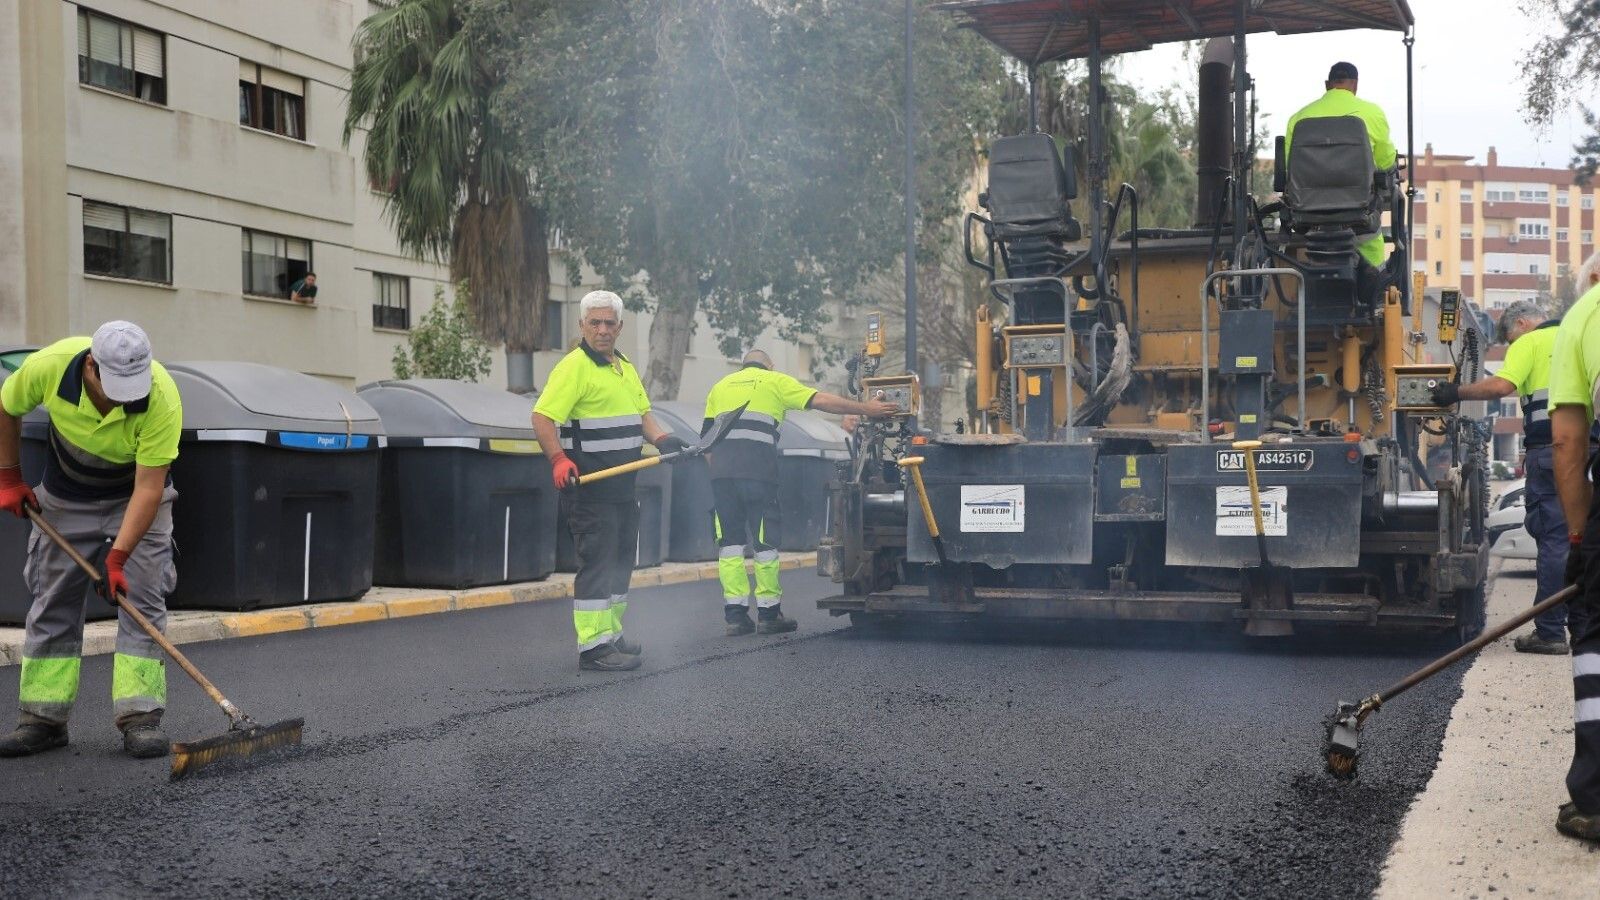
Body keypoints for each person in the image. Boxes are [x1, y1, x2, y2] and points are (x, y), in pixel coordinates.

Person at [0, 322, 182, 759]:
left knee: (142, 599)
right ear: (90, 367)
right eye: (115, 387)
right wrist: (9, 476)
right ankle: (43, 719)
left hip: (134, 498)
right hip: (66, 497)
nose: (126, 399)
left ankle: (140, 717)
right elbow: (7, 406)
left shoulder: (161, 395)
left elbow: (148, 489)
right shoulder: (48, 366)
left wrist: (117, 558)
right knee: (54, 599)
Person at [531, 291, 686, 672]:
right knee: (597, 563)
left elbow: (642, 414)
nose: (602, 330)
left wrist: (663, 439)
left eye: (609, 323)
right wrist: (557, 458)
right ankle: (593, 648)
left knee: (619, 563)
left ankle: (611, 635)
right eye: (595, 323)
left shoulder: (625, 367)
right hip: (589, 487)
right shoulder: (573, 367)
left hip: (622, 487)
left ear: (620, 327)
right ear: (582, 325)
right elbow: (542, 417)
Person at [702, 350, 897, 636]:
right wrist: (866, 409)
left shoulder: (720, 386)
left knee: (730, 545)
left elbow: (706, 442)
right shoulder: (774, 381)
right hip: (759, 474)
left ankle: (735, 617)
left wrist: (721, 471)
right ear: (770, 365)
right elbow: (822, 400)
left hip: (722, 477)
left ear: (743, 365)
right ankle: (768, 615)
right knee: (765, 544)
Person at [1432, 299, 1568, 653]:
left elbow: (1501, 388)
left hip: (1554, 450)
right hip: (1589, 450)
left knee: (1554, 539)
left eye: (1509, 340)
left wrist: (1454, 392)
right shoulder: (1580, 336)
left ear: (1522, 324)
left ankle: (1551, 633)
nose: (1511, 347)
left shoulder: (1530, 342)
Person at [1546, 266, 1600, 844]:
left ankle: (1597, 800)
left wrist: (1581, 541)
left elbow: (1566, 439)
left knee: (1595, 636)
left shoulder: (1586, 313)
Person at [1285, 61, 1397, 271]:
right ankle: (1374, 281)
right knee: (1373, 237)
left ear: (1327, 85)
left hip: (1309, 217)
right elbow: (1385, 162)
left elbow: (1288, 168)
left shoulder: (1299, 118)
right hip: (1359, 213)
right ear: (1355, 85)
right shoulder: (1372, 113)